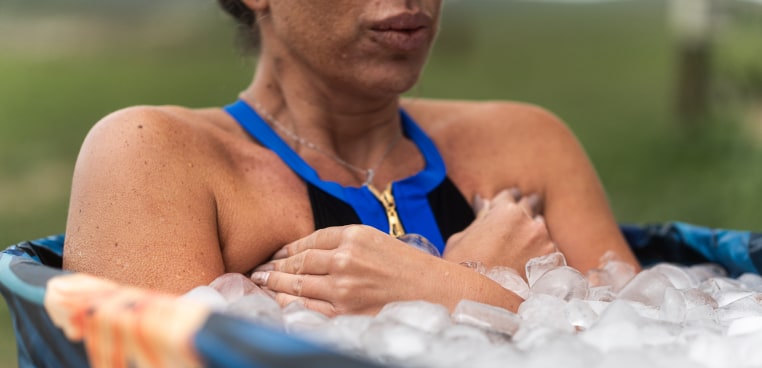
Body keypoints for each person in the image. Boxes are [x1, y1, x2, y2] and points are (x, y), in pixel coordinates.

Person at [62, 0, 640, 317]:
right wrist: (479, 291)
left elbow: (668, 360)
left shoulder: (527, 144)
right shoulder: (157, 156)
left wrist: (441, 292)